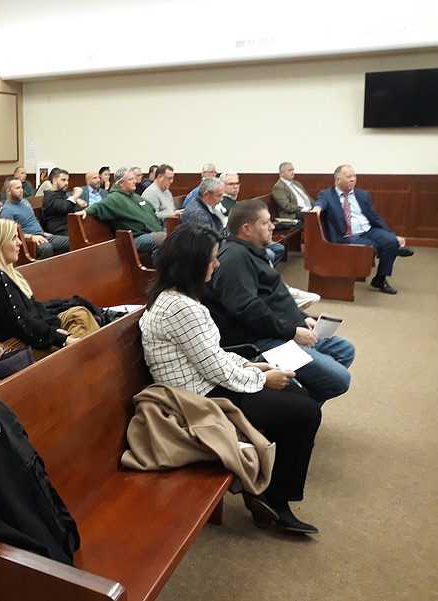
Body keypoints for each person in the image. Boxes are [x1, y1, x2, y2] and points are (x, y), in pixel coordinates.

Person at [140, 222, 322, 534]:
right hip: (197, 400)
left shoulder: (176, 298)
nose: (217, 263)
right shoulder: (182, 307)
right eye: (212, 259)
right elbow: (215, 370)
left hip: (205, 384)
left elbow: (212, 355)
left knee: (297, 397)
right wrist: (264, 379)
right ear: (194, 265)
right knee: (305, 411)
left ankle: (265, 487)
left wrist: (257, 368)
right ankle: (274, 498)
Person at [204, 198, 355, 404]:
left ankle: (302, 404)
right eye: (265, 223)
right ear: (247, 229)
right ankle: (301, 407)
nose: (272, 226)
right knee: (339, 379)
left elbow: (273, 297)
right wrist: (291, 331)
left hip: (279, 332)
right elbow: (246, 309)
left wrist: (301, 319)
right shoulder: (234, 259)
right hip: (262, 342)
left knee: (344, 349)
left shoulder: (251, 252)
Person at [0, 219, 99, 360]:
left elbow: (33, 308)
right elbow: (21, 322)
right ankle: (88, 364)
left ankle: (85, 361)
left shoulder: (5, 271)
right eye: (13, 238)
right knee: (73, 345)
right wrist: (61, 339)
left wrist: (53, 330)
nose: (20, 243)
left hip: (24, 335)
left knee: (79, 314)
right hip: (9, 348)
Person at [313, 164, 413, 295]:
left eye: (354, 176)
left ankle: (380, 279)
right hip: (346, 235)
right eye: (348, 176)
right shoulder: (327, 194)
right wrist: (316, 209)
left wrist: (393, 235)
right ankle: (391, 251)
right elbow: (320, 203)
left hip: (368, 230)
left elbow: (375, 217)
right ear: (337, 180)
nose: (353, 179)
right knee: (373, 247)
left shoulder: (362, 195)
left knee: (390, 241)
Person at [80, 166, 166, 259]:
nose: (135, 181)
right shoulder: (115, 198)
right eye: (130, 179)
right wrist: (86, 211)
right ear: (121, 184)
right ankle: (163, 272)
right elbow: (99, 206)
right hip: (134, 238)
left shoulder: (136, 197)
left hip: (153, 232)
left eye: (134, 178)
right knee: (164, 239)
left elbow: (152, 212)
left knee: (175, 237)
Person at [0, 177, 70, 259]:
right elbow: (10, 235)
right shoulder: (7, 211)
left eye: (21, 187)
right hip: (29, 241)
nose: (21, 190)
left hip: (42, 235)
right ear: (8, 192)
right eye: (17, 188)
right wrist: (32, 237)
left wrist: (43, 232)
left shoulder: (25, 202)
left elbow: (33, 221)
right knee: (47, 248)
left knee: (71, 241)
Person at [42, 169, 86, 236]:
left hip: (70, 228)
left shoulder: (62, 194)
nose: (66, 183)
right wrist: (76, 195)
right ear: (54, 180)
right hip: (60, 231)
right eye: (63, 180)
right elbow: (63, 207)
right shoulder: (50, 196)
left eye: (67, 180)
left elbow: (71, 205)